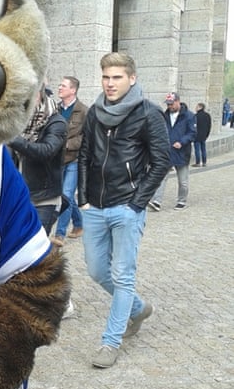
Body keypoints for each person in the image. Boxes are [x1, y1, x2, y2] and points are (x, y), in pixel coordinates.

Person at [78, 51, 170, 369]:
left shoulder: (149, 114)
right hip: (94, 207)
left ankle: (110, 342)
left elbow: (162, 161)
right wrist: (82, 198)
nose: (110, 83)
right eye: (106, 76)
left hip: (126, 207)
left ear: (132, 79)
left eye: (117, 77)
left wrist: (136, 204)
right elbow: (85, 155)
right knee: (96, 270)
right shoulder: (94, 113)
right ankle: (139, 308)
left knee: (122, 275)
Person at [8, 85, 67, 235]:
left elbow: (46, 151)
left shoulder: (56, 122)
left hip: (43, 199)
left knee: (34, 248)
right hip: (18, 196)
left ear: (39, 95)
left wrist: (13, 139)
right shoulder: (18, 122)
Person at [52, 75, 88, 246]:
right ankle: (79, 224)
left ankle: (59, 234)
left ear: (73, 90)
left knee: (66, 195)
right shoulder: (55, 109)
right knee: (64, 195)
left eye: (63, 85)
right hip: (57, 160)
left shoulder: (83, 110)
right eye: (60, 85)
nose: (59, 88)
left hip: (74, 159)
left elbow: (87, 137)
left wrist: (67, 144)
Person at [148, 92, 196, 211]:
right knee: (161, 177)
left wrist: (182, 141)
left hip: (181, 152)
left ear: (178, 101)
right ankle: (157, 201)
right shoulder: (164, 116)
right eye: (168, 104)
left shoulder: (189, 116)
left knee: (183, 180)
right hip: (167, 151)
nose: (170, 106)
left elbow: (192, 133)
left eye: (172, 104)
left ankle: (181, 200)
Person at [192, 102, 211, 167]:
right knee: (203, 149)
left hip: (197, 135)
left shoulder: (196, 116)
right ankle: (204, 162)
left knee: (197, 149)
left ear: (200, 107)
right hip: (204, 135)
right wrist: (207, 135)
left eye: (197, 107)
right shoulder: (207, 115)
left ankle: (198, 162)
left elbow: (193, 126)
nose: (195, 108)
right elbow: (209, 126)